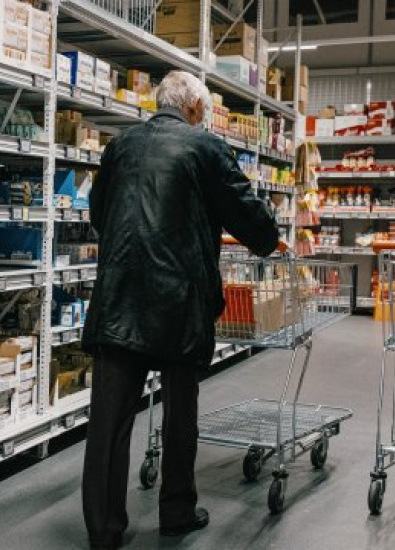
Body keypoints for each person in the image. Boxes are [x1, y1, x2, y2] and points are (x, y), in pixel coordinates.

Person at [81, 70, 281, 548]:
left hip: (120, 298)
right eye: (204, 109)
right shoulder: (205, 147)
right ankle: (176, 512)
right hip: (179, 300)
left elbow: (98, 213)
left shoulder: (120, 146)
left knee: (109, 422)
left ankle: (104, 529)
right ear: (193, 107)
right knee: (179, 417)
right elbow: (246, 211)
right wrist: (269, 239)